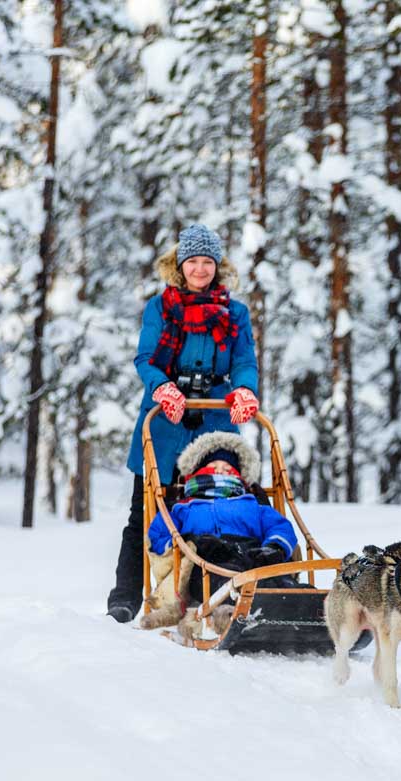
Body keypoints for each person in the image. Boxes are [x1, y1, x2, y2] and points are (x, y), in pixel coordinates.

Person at [107, 224, 261, 622]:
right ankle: (126, 597)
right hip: (164, 424)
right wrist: (163, 388)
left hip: (214, 419)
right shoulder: (161, 308)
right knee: (146, 509)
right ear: (179, 265)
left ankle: (224, 587)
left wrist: (244, 389)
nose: (199, 269)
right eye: (192, 261)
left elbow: (244, 360)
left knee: (221, 504)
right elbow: (146, 359)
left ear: (217, 266)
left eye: (207, 262)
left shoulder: (235, 313)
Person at [140, 431, 298, 631]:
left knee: (277, 579)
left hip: (252, 555)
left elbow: (279, 526)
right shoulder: (183, 508)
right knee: (224, 582)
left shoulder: (252, 504)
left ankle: (309, 606)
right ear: (197, 473)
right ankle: (230, 613)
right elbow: (157, 535)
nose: (220, 472)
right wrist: (185, 543)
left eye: (227, 469)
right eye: (213, 468)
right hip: (206, 562)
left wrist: (274, 546)